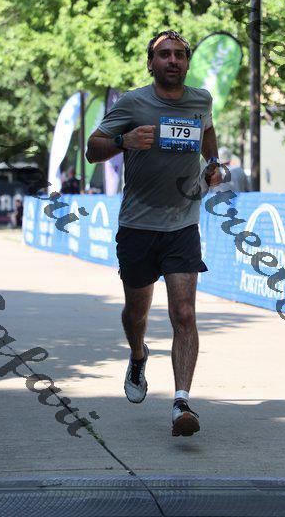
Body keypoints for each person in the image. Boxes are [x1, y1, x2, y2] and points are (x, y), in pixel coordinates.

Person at [86, 30, 223, 437]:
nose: (173, 60)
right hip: (138, 226)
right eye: (164, 54)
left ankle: (181, 402)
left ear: (187, 62)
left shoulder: (201, 101)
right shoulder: (133, 102)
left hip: (182, 224)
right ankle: (138, 354)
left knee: (184, 314)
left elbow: (207, 131)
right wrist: (123, 140)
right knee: (137, 313)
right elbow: (92, 148)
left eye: (180, 54)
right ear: (151, 63)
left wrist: (213, 163)